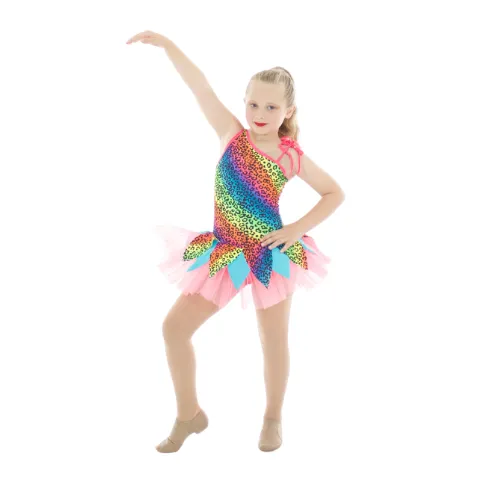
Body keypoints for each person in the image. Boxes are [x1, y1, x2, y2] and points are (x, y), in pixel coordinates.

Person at [126, 31, 346, 453]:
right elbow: (200, 86)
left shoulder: (290, 155)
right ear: (244, 102)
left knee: (273, 340)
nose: (259, 113)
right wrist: (169, 45)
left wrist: (295, 229)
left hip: (270, 256)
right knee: (174, 329)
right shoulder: (231, 134)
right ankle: (189, 415)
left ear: (288, 111)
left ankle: (272, 417)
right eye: (253, 104)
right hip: (226, 252)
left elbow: (334, 192)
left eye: (271, 107)